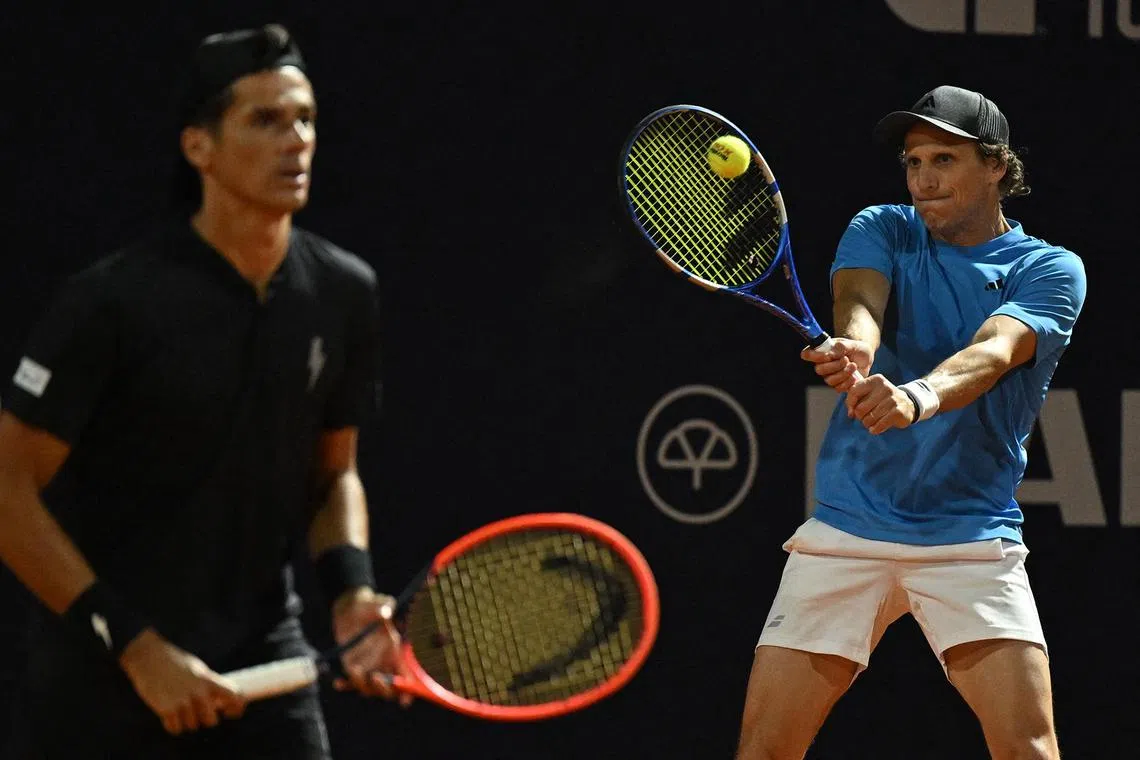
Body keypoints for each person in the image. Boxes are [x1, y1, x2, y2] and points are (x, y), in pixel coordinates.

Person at [0, 24, 406, 759]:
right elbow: (6, 488)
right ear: (200, 147)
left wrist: (351, 596)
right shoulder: (109, 304)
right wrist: (135, 647)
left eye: (306, 119)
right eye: (265, 120)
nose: (297, 141)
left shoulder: (345, 293)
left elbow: (333, 471)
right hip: (104, 681)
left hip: (266, 662)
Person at [736, 85, 1086, 759]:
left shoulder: (1048, 269)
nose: (923, 179)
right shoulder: (884, 227)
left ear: (996, 167)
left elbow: (994, 351)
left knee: (1029, 749)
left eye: (944, 159)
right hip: (847, 527)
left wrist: (917, 397)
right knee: (765, 749)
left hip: (969, 538)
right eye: (913, 160)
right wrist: (856, 348)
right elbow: (859, 304)